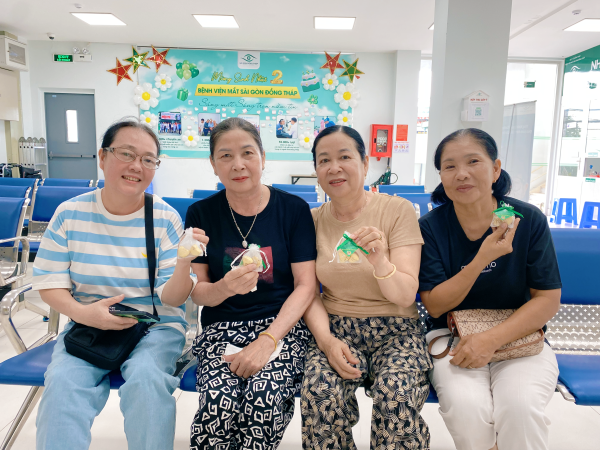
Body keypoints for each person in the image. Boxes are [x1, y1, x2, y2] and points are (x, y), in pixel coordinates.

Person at [32, 119, 206, 450]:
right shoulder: (69, 214)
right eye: (126, 153)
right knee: (63, 384)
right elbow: (50, 283)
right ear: (102, 156)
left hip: (156, 325)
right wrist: (84, 314)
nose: (136, 166)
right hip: (88, 324)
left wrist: (184, 264)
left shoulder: (164, 218)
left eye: (148, 159)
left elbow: (173, 299)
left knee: (147, 379)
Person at [174, 117, 316, 450]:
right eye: (225, 156)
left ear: (263, 158)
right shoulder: (201, 214)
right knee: (217, 404)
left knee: (263, 398)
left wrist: (268, 340)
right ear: (213, 164)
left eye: (247, 153)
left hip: (282, 328)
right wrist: (225, 288)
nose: (238, 164)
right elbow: (200, 292)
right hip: (221, 329)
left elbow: (306, 286)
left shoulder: (293, 210)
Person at [419, 128, 561, 450]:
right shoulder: (430, 228)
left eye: (473, 162)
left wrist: (491, 339)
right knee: (467, 409)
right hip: (451, 336)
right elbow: (436, 305)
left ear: (495, 169)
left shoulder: (527, 220)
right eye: (450, 166)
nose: (462, 174)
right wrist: (482, 257)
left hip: (519, 334)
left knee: (521, 408)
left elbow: (547, 299)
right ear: (441, 175)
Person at [301, 125, 432, 450]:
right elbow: (308, 293)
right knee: (320, 390)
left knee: (396, 394)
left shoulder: (396, 210)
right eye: (324, 160)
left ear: (365, 162)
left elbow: (405, 295)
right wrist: (327, 342)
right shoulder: (311, 220)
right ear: (316, 170)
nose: (334, 168)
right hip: (337, 327)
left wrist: (380, 262)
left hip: (397, 330)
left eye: (344, 157)